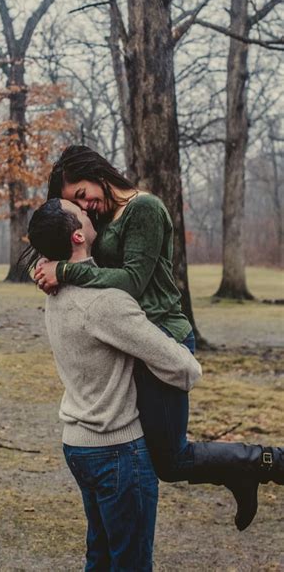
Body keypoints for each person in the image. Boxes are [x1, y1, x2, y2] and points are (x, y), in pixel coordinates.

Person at [34, 145, 283, 531]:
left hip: (163, 336)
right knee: (156, 458)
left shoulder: (144, 209)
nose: (87, 204)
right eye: (76, 203)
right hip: (130, 335)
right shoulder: (106, 217)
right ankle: (245, 472)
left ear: (96, 172)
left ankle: (265, 462)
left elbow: (133, 281)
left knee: (169, 460)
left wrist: (65, 271)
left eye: (82, 194)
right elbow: (89, 260)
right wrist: (49, 258)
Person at [27, 198, 202, 571]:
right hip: (118, 451)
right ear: (78, 235)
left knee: (101, 556)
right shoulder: (105, 304)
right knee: (131, 562)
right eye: (84, 214)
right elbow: (185, 368)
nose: (92, 213)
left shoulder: (53, 291)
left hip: (77, 445)